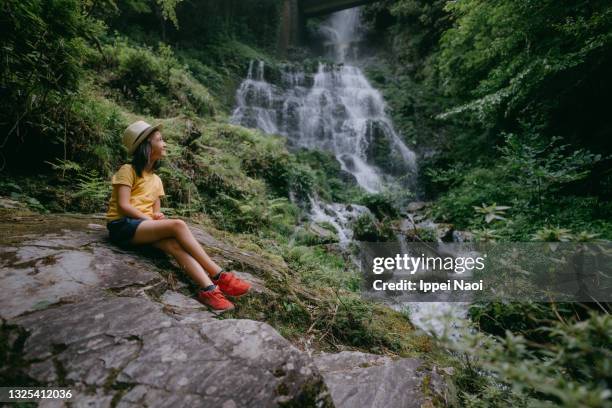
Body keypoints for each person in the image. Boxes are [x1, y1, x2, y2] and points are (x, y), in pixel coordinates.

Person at [106, 120, 250, 311]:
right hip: (121, 225)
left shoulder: (157, 180)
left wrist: (157, 217)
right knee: (178, 225)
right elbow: (124, 205)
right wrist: (151, 221)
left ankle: (209, 290)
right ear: (146, 147)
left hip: (141, 229)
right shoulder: (128, 170)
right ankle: (220, 275)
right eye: (160, 139)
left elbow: (154, 210)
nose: (164, 143)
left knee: (174, 245)